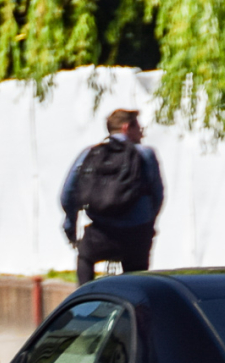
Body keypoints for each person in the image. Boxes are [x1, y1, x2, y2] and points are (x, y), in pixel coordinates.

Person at [59, 107, 164, 285]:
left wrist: (70, 226)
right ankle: (137, 306)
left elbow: (67, 193)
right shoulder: (145, 155)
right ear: (126, 128)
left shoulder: (89, 154)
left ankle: (82, 297)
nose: (141, 133)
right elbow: (158, 195)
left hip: (101, 233)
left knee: (85, 257)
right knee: (137, 283)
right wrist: (148, 223)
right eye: (138, 128)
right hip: (137, 235)